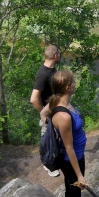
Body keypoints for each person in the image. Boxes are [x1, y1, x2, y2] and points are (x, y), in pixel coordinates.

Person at [43, 70, 93, 197]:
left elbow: (44, 113)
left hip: (78, 154)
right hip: (69, 158)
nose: (75, 84)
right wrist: (79, 175)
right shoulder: (63, 116)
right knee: (73, 189)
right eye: (73, 82)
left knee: (75, 189)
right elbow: (68, 147)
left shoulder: (62, 102)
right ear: (67, 87)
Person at [30, 44, 60, 177]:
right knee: (46, 137)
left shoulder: (52, 69)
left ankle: (56, 157)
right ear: (55, 56)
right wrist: (43, 113)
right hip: (48, 112)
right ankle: (47, 164)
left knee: (56, 136)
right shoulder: (43, 74)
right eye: (58, 54)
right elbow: (34, 99)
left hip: (55, 109)